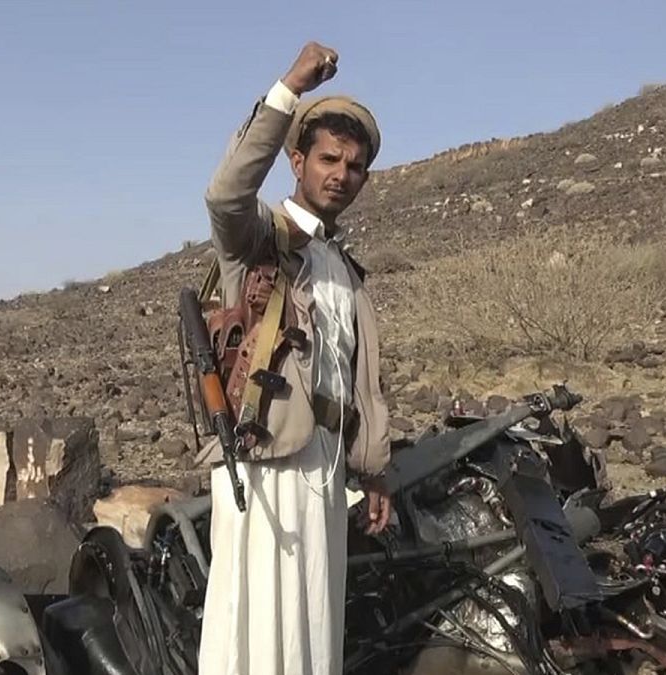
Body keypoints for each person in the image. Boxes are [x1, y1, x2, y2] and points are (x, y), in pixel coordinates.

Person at [195, 41, 393, 675]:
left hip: (326, 472)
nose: (341, 174)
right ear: (297, 162)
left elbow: (359, 384)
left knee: (313, 629)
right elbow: (225, 193)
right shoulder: (258, 240)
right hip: (266, 466)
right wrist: (289, 88)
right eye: (329, 159)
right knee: (255, 633)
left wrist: (373, 469)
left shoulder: (345, 270)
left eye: (354, 166)